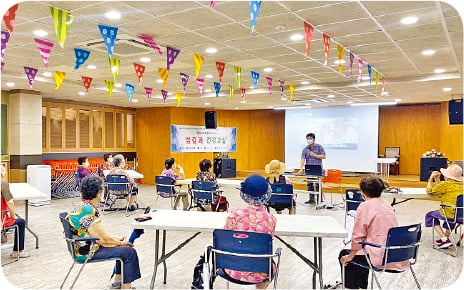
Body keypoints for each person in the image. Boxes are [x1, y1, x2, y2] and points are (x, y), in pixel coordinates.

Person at [68, 176, 141, 289]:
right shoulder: (89, 210)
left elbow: (99, 234)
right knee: (129, 252)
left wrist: (116, 240)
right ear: (98, 193)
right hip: (88, 251)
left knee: (121, 249)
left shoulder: (81, 205)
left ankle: (117, 283)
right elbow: (103, 240)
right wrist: (120, 243)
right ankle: (126, 288)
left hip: (80, 247)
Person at [339, 176, 408, 289]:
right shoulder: (386, 204)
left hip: (381, 256)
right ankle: (361, 287)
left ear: (362, 192)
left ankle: (354, 287)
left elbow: (357, 236)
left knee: (345, 255)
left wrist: (350, 256)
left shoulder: (364, 206)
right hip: (397, 254)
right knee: (361, 253)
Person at [223, 174, 277, 289]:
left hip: (232, 269)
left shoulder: (234, 214)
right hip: (260, 272)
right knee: (265, 262)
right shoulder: (271, 219)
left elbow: (225, 237)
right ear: (267, 193)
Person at [425, 164, 463, 249]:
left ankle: (444, 238)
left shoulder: (445, 185)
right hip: (461, 215)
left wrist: (430, 179)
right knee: (454, 215)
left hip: (449, 212)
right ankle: (446, 239)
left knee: (430, 215)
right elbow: (441, 189)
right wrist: (437, 179)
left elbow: (430, 191)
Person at [1, 165, 31, 259]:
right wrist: (13, 217)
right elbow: (10, 203)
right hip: (1, 220)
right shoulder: (3, 183)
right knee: (21, 222)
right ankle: (18, 251)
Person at [297, 133, 326, 204]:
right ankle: (311, 199)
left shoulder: (319, 147)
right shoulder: (305, 149)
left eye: (310, 138)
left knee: (317, 184)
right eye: (307, 139)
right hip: (309, 168)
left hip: (317, 168)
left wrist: (314, 155)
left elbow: (324, 156)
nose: (309, 140)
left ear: (314, 139)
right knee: (309, 184)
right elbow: (302, 159)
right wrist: (301, 168)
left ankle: (320, 199)